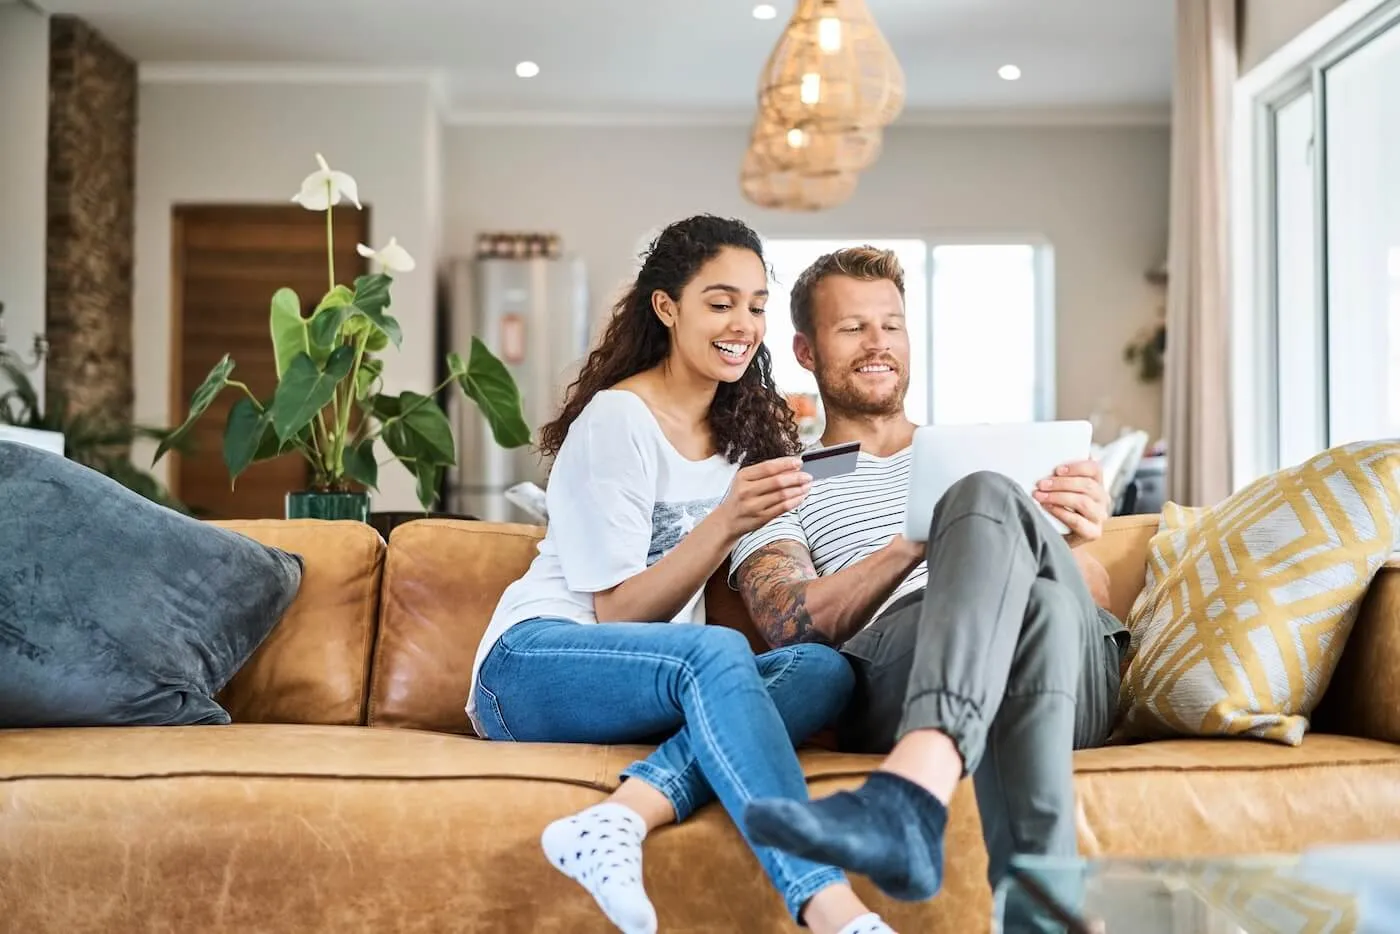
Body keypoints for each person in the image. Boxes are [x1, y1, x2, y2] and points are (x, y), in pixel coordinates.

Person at [468, 218, 895, 934]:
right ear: (667, 308)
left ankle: (615, 819)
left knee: (823, 671)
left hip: (655, 676)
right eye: (721, 302)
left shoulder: (740, 436)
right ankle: (829, 905)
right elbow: (618, 614)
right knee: (720, 655)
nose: (744, 324)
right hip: (532, 665)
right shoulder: (618, 420)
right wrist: (726, 519)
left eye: (757, 305)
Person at [729, 246, 1128, 911]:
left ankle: (910, 796)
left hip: (1073, 672)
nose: (877, 343)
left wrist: (1081, 538)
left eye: (891, 324)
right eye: (851, 328)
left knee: (1034, 585)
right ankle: (1043, 911)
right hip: (900, 665)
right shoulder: (786, 480)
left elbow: (1089, 601)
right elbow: (786, 623)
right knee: (1006, 549)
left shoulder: (993, 454)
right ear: (805, 350)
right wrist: (918, 542)